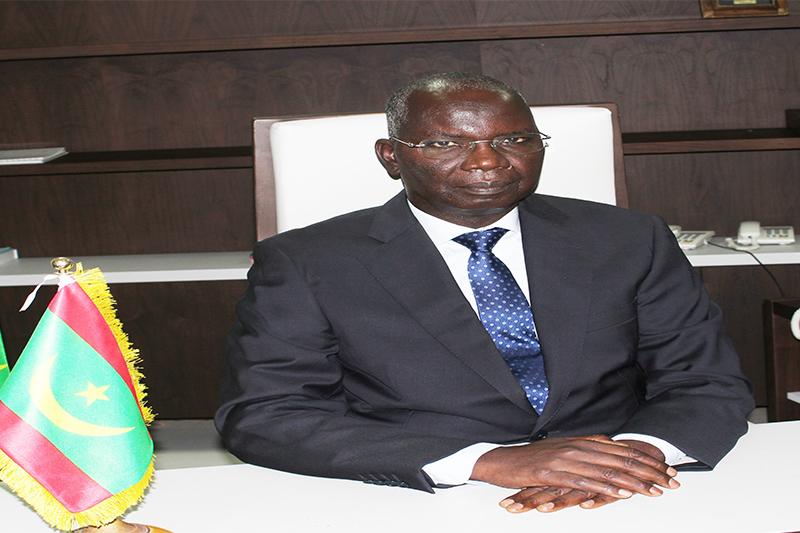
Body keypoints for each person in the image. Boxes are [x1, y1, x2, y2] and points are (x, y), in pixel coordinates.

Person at [215, 72, 754, 513]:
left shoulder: (630, 239)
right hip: (416, 496)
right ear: (391, 157)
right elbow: (266, 413)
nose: (487, 161)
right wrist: (487, 461)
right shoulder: (308, 261)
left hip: (628, 492)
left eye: (513, 140)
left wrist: (630, 458)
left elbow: (704, 380)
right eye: (445, 143)